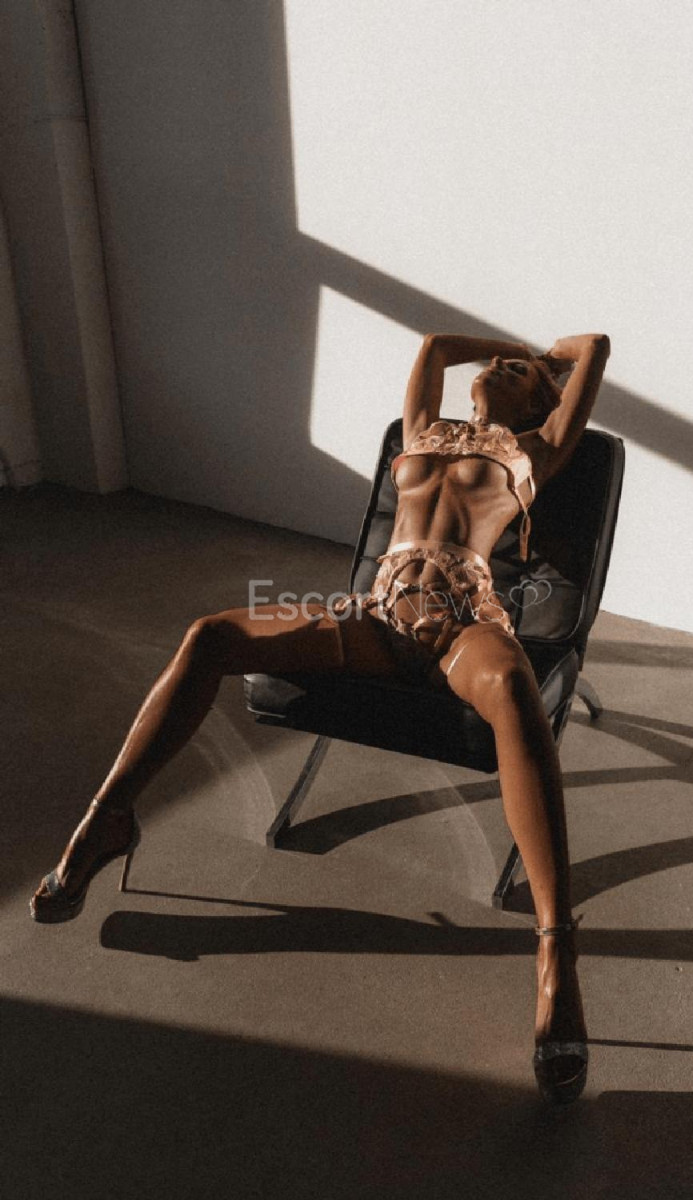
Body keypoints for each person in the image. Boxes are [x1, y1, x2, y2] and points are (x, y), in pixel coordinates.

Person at [30, 330, 611, 1105]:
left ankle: (554, 953)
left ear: (538, 398)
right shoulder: (421, 431)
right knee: (210, 636)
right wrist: (510, 351)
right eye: (496, 362)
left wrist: (543, 359)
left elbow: (593, 346)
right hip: (372, 615)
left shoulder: (537, 449)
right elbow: (435, 347)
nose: (497, 367)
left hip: (461, 619)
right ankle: (107, 819)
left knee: (510, 686)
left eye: (517, 371)